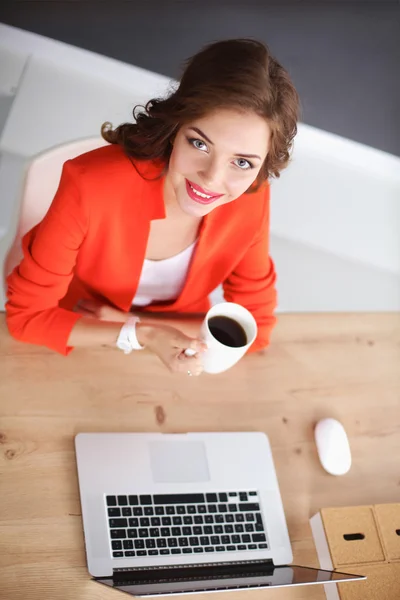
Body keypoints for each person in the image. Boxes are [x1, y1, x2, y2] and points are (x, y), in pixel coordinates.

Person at [5, 38, 300, 376]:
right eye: (200, 143)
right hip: (79, 335)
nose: (212, 178)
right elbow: (26, 320)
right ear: (176, 126)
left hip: (167, 343)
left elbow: (258, 330)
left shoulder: (251, 196)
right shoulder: (90, 183)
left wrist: (137, 326)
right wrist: (142, 334)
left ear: (263, 165)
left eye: (243, 163)